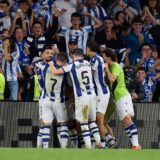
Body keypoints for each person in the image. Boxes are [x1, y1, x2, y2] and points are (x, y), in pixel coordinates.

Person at [49, 48, 102, 148]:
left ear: (74, 56)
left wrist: (51, 63)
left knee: (83, 122)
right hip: (92, 95)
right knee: (92, 121)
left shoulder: (71, 65)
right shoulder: (88, 63)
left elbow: (55, 71)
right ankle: (99, 142)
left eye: (72, 57)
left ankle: (88, 147)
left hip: (82, 97)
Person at [103, 48, 141, 149]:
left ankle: (136, 145)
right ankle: (134, 145)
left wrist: (106, 68)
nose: (103, 59)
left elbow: (112, 79)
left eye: (104, 57)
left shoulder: (115, 66)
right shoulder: (112, 66)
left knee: (127, 119)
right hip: (118, 98)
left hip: (122, 96)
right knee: (124, 123)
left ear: (109, 57)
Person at [86, 41, 117, 148]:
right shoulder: (95, 59)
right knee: (96, 120)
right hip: (98, 93)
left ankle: (103, 143)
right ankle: (110, 141)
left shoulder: (96, 59)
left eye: (87, 49)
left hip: (101, 93)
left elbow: (90, 74)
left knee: (99, 120)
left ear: (89, 49)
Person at [36, 51, 69, 148]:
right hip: (58, 100)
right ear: (65, 61)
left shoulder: (46, 67)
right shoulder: (65, 69)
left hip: (46, 99)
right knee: (62, 124)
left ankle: (45, 149)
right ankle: (64, 149)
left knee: (46, 125)